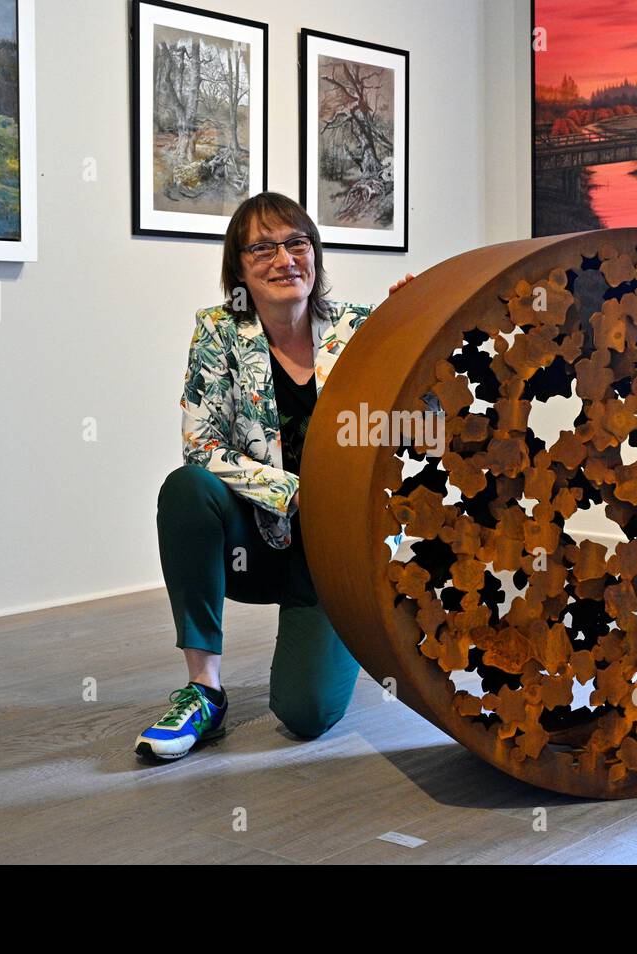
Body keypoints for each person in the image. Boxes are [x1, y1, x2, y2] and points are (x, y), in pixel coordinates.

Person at [135, 191, 414, 760]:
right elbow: (201, 445)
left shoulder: (362, 329)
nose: (284, 258)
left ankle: (345, 634)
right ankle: (204, 691)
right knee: (185, 490)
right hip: (255, 543)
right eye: (262, 248)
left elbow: (421, 426)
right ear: (237, 267)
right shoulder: (218, 332)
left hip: (335, 554)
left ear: (316, 254)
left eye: (297, 242)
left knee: (304, 715)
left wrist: (416, 336)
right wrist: (296, 493)